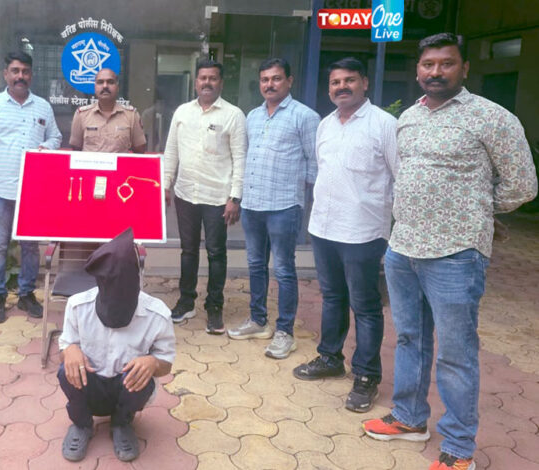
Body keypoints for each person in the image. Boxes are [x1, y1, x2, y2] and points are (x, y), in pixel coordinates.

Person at [363, 33, 537, 470]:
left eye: (446, 63)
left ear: (464, 68)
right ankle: (409, 418)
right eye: (428, 64)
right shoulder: (409, 118)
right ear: (418, 69)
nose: (435, 72)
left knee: (456, 353)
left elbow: (522, 185)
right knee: (409, 338)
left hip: (456, 253)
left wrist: (475, 209)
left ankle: (459, 448)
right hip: (403, 247)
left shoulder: (492, 118)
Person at [291, 57, 398, 414]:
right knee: (333, 297)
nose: (342, 87)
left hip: (363, 231)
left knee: (365, 306)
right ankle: (330, 358)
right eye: (335, 82)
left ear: (364, 83)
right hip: (324, 226)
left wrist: (395, 225)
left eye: (349, 80)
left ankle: (366, 375)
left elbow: (400, 177)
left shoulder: (384, 125)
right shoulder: (325, 125)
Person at [226, 58, 319, 360]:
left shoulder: (305, 116)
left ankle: (285, 332)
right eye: (265, 79)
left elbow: (315, 162)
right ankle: (258, 321)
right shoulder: (252, 116)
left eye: (276, 78)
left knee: (283, 269)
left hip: (284, 206)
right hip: (253, 204)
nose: (270, 84)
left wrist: (306, 196)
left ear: (289, 81)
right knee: (255, 265)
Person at [58, 228, 175, 462]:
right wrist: (69, 350)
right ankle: (82, 425)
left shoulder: (157, 314)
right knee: (65, 370)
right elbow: (65, 347)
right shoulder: (78, 306)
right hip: (90, 386)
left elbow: (166, 364)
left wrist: (153, 363)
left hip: (127, 389)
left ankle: (122, 424)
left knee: (142, 373)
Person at [0, 51, 62, 323]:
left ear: (31, 75)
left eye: (25, 71)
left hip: (32, 190)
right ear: (6, 74)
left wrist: (46, 147)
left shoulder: (43, 107)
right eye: (15, 71)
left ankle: (26, 294)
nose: (20, 76)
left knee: (30, 247)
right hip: (0, 189)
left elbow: (56, 137)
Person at [163, 59, 246, 334]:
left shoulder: (233, 115)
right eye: (202, 78)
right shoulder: (182, 112)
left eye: (212, 78)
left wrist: (235, 197)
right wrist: (165, 184)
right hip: (186, 193)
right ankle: (186, 301)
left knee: (216, 252)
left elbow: (240, 159)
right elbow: (171, 151)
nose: (207, 83)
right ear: (196, 82)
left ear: (220, 82)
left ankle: (214, 306)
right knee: (188, 251)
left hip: (217, 197)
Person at [70, 68, 146, 153]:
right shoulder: (81, 115)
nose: (105, 86)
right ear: (95, 87)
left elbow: (139, 150)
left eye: (110, 82)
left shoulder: (131, 115)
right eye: (100, 82)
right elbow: (76, 149)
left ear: (117, 87)